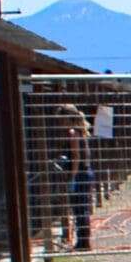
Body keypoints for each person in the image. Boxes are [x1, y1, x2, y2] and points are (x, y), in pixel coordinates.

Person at [56, 106, 95, 251]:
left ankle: (83, 242)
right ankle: (83, 241)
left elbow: (76, 156)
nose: (60, 123)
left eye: (61, 120)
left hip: (80, 175)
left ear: (67, 118)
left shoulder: (73, 133)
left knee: (79, 208)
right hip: (86, 172)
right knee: (82, 207)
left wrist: (72, 176)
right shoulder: (82, 133)